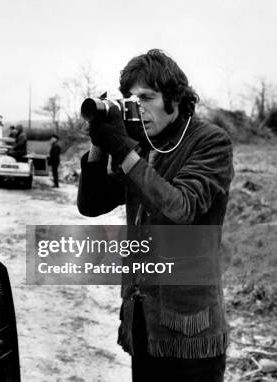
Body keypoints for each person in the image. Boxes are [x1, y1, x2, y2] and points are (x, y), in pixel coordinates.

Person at [76, 49, 233, 382]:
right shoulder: (144, 145)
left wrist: (124, 151)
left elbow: (180, 209)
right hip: (144, 320)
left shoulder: (210, 142)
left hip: (190, 327)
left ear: (174, 99)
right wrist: (100, 142)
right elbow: (92, 204)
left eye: (146, 97)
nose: (137, 107)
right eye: (130, 99)